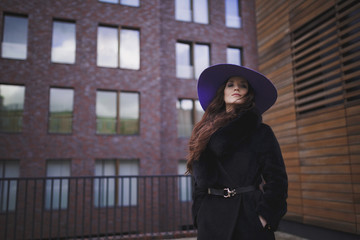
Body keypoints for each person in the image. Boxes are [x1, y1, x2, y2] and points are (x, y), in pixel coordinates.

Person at [187, 64, 288, 240]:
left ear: (248, 94)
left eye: (243, 85)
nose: (236, 88)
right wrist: (198, 214)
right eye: (230, 84)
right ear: (222, 92)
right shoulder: (204, 132)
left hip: (249, 217)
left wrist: (265, 217)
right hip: (211, 219)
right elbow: (198, 181)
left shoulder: (261, 132)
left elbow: (277, 179)